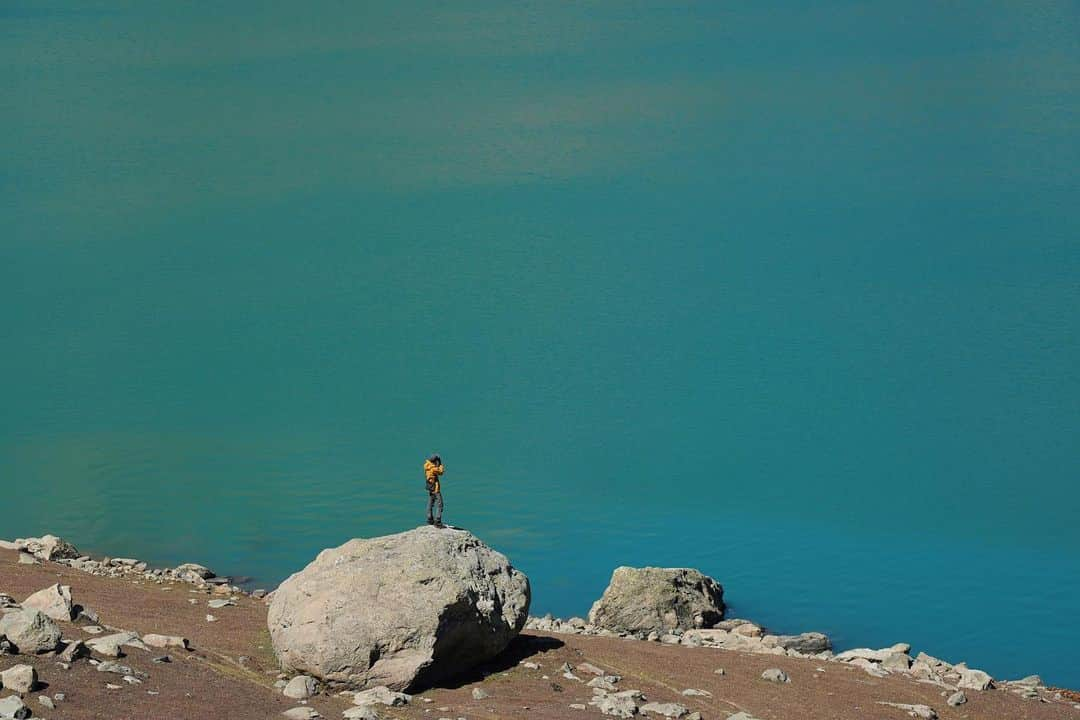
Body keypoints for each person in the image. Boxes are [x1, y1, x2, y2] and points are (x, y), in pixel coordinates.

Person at [424, 454, 446, 527]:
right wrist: (440, 464)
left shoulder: (427, 466)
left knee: (430, 503)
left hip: (430, 487)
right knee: (440, 504)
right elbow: (441, 472)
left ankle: (430, 519)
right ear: (435, 461)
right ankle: (438, 521)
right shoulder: (433, 468)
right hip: (435, 488)